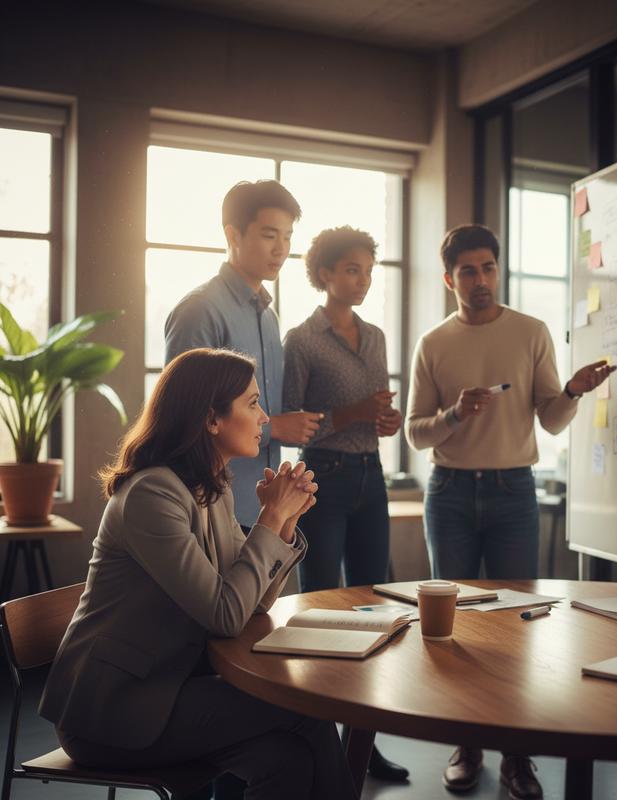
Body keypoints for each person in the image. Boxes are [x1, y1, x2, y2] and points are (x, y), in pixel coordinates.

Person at [39, 348, 357, 800]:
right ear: (212, 419)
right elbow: (224, 615)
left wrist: (283, 523)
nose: (264, 416)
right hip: (114, 711)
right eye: (251, 403)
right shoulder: (152, 494)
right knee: (306, 707)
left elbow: (251, 603)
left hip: (172, 690)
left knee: (290, 758)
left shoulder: (211, 486)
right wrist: (267, 521)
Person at [405, 224, 614, 800]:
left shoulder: (531, 332)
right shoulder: (434, 343)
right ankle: (465, 743)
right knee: (457, 627)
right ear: (449, 278)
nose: (480, 279)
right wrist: (453, 414)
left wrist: (571, 391)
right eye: (468, 270)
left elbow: (550, 419)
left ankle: (517, 754)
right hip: (448, 494)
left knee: (516, 625)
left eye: (488, 267)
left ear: (498, 270)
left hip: (513, 493)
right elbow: (415, 435)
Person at [282, 226, 408, 783]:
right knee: (323, 610)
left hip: (369, 478)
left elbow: (375, 414)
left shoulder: (376, 336)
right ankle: (317, 740)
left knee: (373, 607)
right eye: (352, 269)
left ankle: (363, 739)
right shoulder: (301, 340)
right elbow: (290, 426)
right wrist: (351, 415)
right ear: (325, 273)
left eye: (368, 269)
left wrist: (386, 420)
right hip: (324, 480)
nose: (362, 279)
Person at [165, 179, 323, 529]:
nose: (281, 249)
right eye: (269, 235)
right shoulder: (200, 310)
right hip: (212, 507)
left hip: (263, 508)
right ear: (233, 235)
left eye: (288, 236)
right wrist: (276, 427)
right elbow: (186, 417)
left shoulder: (269, 316)